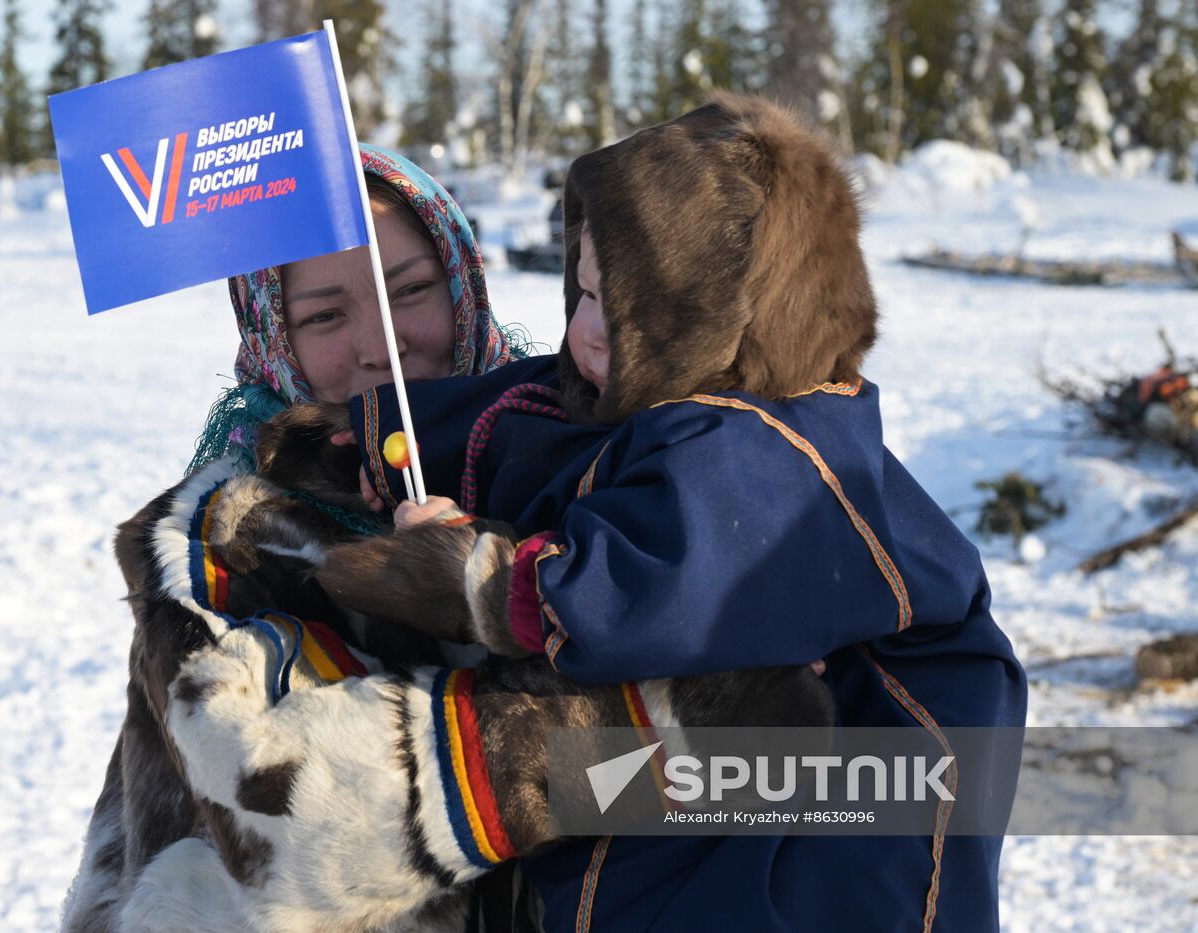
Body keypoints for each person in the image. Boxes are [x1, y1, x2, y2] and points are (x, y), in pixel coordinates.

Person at [310, 93, 1028, 931]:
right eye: (582, 294)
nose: (590, 333)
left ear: (730, 323)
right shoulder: (636, 389)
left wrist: (474, 574)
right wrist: (383, 439)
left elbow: (658, 581)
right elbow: (517, 411)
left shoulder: (771, 443)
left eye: (634, 319)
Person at [59, 144, 525, 932]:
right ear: (273, 334)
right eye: (324, 316)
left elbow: (750, 774)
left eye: (411, 289)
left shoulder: (570, 453)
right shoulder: (221, 548)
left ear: (464, 283)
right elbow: (305, 823)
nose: (382, 344)